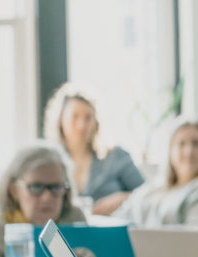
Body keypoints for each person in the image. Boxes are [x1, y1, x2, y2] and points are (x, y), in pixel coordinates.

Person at [43, 83, 145, 216]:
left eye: (88, 117)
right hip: (66, 234)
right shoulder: (49, 163)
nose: (81, 125)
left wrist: (122, 198)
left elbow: (147, 195)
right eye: (75, 117)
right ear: (61, 120)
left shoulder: (116, 156)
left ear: (96, 122)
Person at [115, 118, 198, 227]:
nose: (189, 152)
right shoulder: (154, 188)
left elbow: (194, 241)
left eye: (196, 143)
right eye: (181, 144)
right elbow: (121, 216)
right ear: (170, 151)